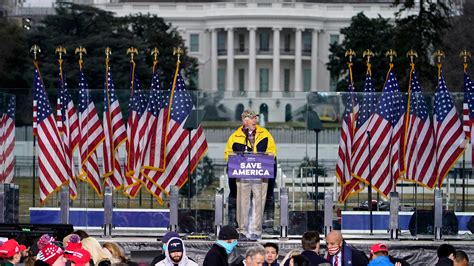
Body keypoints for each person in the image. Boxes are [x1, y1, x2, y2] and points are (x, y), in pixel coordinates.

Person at [225, 109, 277, 240]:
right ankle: (242, 230)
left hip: (261, 175)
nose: (255, 120)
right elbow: (228, 155)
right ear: (244, 120)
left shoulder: (265, 134)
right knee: (242, 202)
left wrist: (263, 157)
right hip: (243, 175)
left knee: (259, 202)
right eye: (252, 118)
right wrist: (240, 158)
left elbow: (272, 152)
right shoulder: (234, 136)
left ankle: (256, 231)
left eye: (256, 118)